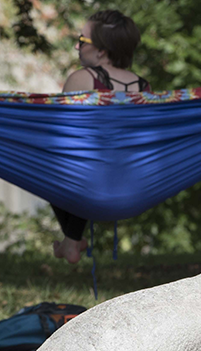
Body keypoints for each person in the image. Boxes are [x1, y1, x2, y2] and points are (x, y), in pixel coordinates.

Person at [51, 10, 149, 264]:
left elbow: (61, 140)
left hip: (88, 179)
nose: (76, 45)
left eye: (82, 41)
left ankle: (71, 240)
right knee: (93, 162)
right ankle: (72, 242)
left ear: (101, 52)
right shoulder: (144, 87)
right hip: (132, 179)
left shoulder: (82, 80)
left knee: (46, 161)